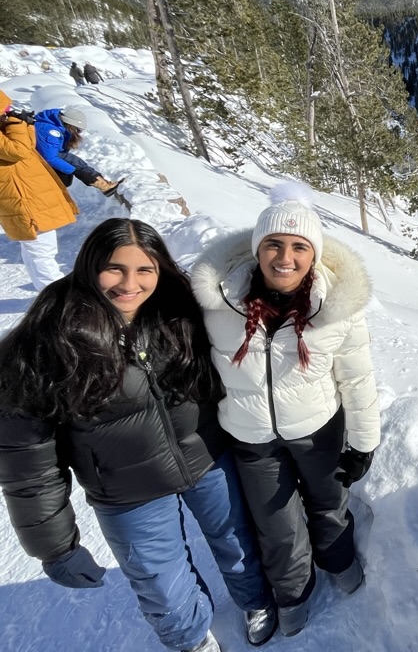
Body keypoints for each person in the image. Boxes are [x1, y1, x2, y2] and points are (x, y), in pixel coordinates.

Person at [0, 219, 278, 652]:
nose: (130, 285)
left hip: (206, 456)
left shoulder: (180, 309)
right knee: (160, 581)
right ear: (90, 265)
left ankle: (255, 600)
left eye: (144, 270)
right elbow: (27, 460)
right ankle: (191, 640)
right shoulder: (50, 338)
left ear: (160, 269)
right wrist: (55, 547)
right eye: (115, 269)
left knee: (237, 541)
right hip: (125, 488)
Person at [192, 183, 380, 638]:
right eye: (273, 244)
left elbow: (357, 376)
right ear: (257, 248)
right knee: (276, 525)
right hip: (250, 435)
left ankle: (338, 560)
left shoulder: (335, 307)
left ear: (314, 254)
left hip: (318, 428)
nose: (285, 257)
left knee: (328, 503)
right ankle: (293, 592)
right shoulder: (219, 302)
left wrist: (364, 442)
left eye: (299, 247)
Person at [0, 89, 79, 291]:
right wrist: (16, 124)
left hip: (27, 193)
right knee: (41, 250)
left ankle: (48, 293)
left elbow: (28, 145)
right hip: (22, 198)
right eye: (5, 110)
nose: (8, 113)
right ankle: (58, 297)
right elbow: (17, 151)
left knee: (37, 249)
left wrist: (26, 125)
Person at [34, 106, 121, 195]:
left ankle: (103, 184)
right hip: (39, 159)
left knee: (74, 164)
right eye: (78, 130)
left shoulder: (57, 127)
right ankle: (103, 185)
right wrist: (74, 170)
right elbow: (50, 158)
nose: (78, 132)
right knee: (72, 164)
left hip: (44, 157)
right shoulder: (50, 131)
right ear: (71, 125)